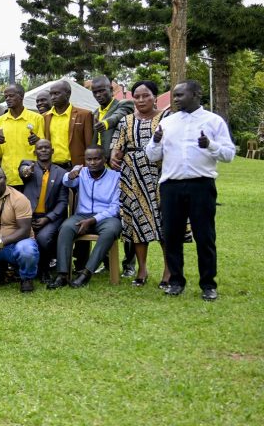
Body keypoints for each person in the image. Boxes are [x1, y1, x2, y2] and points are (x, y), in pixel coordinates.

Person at [145, 80, 235, 301]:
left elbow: (229, 154)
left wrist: (210, 146)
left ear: (196, 94)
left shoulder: (213, 121)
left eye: (179, 95)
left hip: (201, 185)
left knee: (205, 236)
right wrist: (155, 142)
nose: (175, 99)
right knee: (172, 236)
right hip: (171, 186)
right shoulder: (168, 122)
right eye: (174, 95)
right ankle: (176, 281)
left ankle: (208, 284)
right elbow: (152, 156)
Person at [110, 80, 172, 288]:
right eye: (137, 96)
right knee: (137, 223)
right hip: (133, 176)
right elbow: (116, 146)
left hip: (160, 174)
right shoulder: (126, 120)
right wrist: (113, 155)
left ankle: (168, 270)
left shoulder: (167, 117)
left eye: (146, 95)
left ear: (155, 96)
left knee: (164, 222)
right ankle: (142, 269)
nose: (141, 100)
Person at [47, 147, 123, 288]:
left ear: (104, 160)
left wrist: (93, 220)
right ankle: (62, 275)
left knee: (111, 231)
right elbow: (67, 182)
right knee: (66, 228)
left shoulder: (115, 177)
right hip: (82, 215)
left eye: (96, 159)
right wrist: (70, 175)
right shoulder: (81, 173)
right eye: (89, 159)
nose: (92, 162)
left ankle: (86, 273)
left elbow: (115, 207)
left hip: (106, 217)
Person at [18, 139, 70, 281]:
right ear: (35, 152)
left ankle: (44, 269)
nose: (43, 150)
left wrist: (48, 218)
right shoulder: (28, 166)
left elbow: (62, 201)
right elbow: (23, 172)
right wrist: (27, 170)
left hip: (50, 217)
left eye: (47, 148)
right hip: (29, 216)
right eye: (40, 148)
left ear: (52, 151)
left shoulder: (61, 173)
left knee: (43, 238)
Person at [0, 83, 44, 189]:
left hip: (31, 175)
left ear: (21, 96)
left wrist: (38, 141)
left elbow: (43, 147)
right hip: (8, 176)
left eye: (11, 96)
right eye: (6, 96)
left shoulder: (37, 119)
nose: (7, 99)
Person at [43, 80, 95, 169]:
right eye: (51, 94)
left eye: (56, 94)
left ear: (68, 94)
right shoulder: (45, 117)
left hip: (75, 168)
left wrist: (88, 169)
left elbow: (89, 145)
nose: (52, 97)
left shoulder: (84, 115)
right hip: (52, 168)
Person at [91, 76, 134, 157]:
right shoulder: (95, 113)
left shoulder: (123, 105)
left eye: (101, 91)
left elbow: (118, 115)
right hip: (99, 162)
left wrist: (105, 124)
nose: (98, 95)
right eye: (95, 92)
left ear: (111, 89)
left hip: (117, 160)